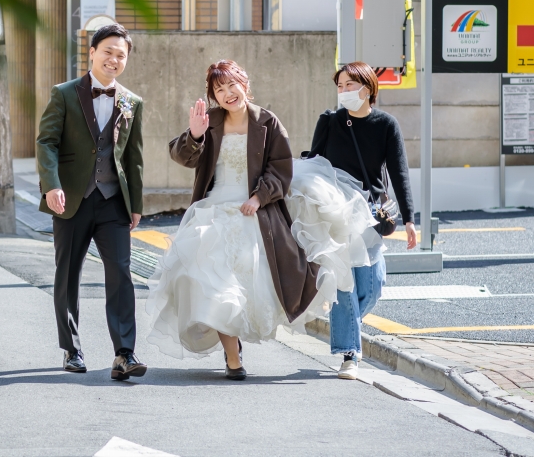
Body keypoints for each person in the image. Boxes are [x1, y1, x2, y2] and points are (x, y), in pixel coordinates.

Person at [146, 60, 373, 380]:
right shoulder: (209, 121)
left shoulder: (268, 122)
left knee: (240, 283)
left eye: (231, 86)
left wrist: (258, 197)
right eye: (218, 90)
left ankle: (234, 348)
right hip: (212, 210)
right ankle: (232, 356)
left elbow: (281, 169)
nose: (227, 94)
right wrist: (194, 136)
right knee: (202, 277)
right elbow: (183, 157)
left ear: (244, 84)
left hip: (257, 212)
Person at [36, 22, 146, 381]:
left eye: (121, 55)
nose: (114, 59)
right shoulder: (64, 93)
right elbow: (46, 143)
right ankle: (72, 348)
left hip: (113, 201)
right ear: (93, 53)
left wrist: (136, 205)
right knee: (68, 274)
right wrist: (51, 185)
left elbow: (134, 157)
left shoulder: (132, 102)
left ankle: (124, 353)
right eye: (108, 52)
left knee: (121, 274)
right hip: (71, 199)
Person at [309, 61, 416, 380]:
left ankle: (344, 324)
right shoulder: (330, 121)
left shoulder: (386, 124)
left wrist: (409, 219)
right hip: (335, 210)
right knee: (345, 280)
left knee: (373, 285)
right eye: (339, 86)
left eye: (350, 86)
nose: (343, 92)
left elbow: (399, 171)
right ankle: (349, 356)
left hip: (369, 212)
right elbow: (313, 164)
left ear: (368, 89)